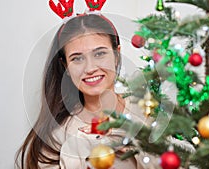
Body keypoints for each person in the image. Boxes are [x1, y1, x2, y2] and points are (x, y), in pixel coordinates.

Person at [16, 13, 159, 169]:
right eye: (77, 58)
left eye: (99, 54)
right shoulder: (57, 135)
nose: (90, 68)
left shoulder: (148, 111)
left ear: (116, 55)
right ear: (66, 67)